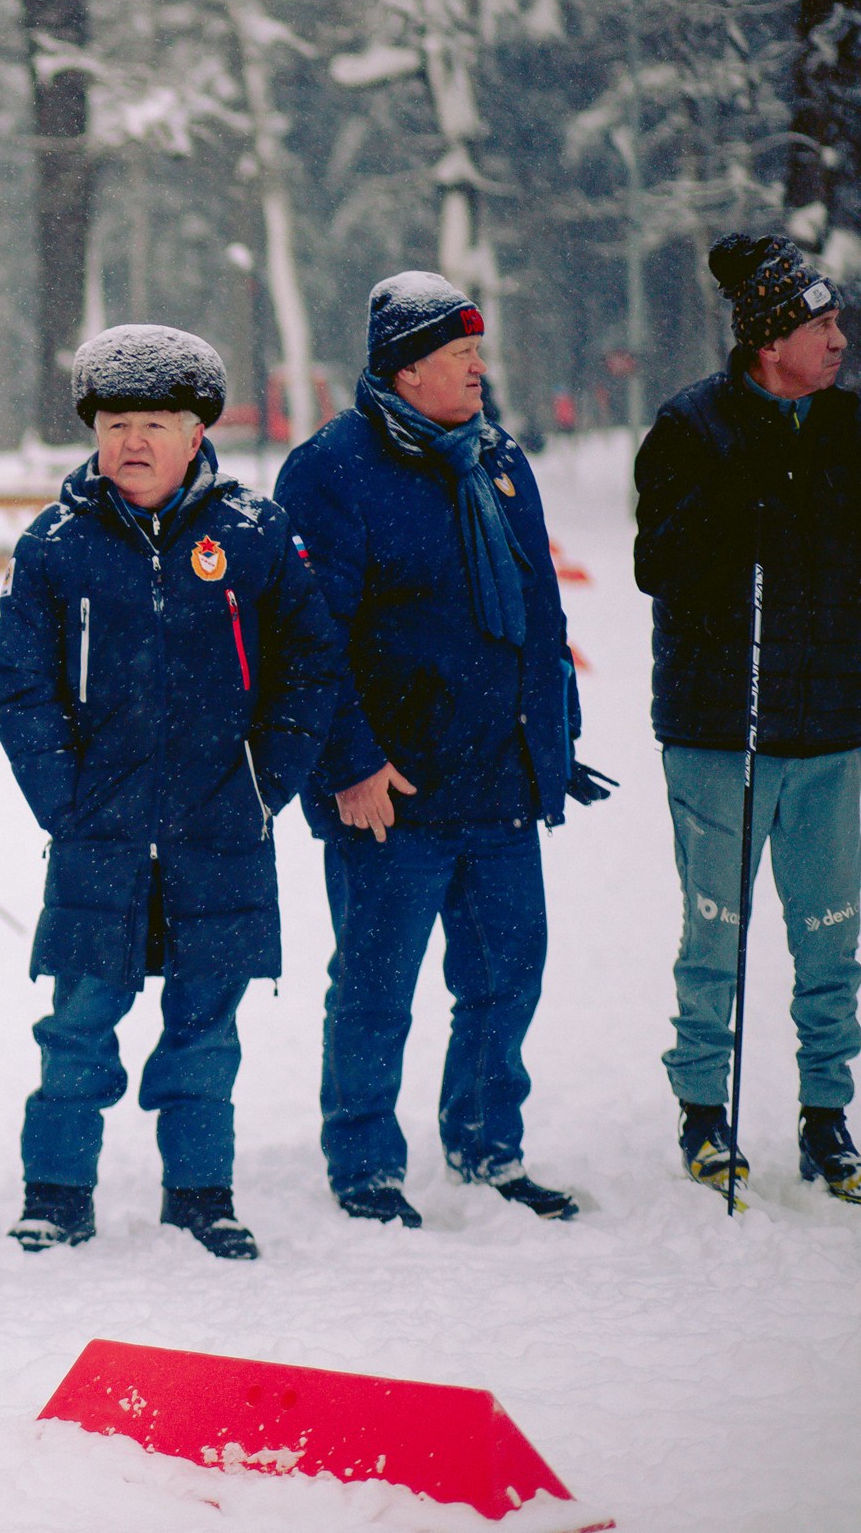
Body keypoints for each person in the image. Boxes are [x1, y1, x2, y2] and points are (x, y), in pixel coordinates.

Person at [0, 326, 340, 1261]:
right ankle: (56, 1192)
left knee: (205, 1027)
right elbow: (19, 684)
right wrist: (63, 798)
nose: (132, 442)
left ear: (196, 433)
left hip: (220, 827)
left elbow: (311, 666)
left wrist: (265, 783)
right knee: (78, 1022)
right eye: (114, 425)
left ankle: (200, 1194)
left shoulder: (256, 535)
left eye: (154, 423)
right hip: (98, 832)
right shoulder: (56, 543)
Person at [275, 273, 591, 1228]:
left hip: (500, 777)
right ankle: (365, 1161)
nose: (479, 370)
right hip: (393, 787)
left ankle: (488, 1141)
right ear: (407, 371)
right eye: (461, 355)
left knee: (505, 976)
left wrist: (554, 736)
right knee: (376, 987)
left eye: (477, 353)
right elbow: (309, 640)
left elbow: (539, 611)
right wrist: (350, 764)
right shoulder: (330, 470)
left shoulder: (498, 457)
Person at [634, 233, 861, 1203]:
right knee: (715, 932)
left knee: (832, 934)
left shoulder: (848, 426)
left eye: (837, 322)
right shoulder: (692, 426)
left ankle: (826, 1114)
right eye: (821, 325)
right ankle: (703, 1109)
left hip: (833, 730)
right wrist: (735, 501)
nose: (839, 340)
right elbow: (656, 565)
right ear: (770, 342)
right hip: (722, 730)